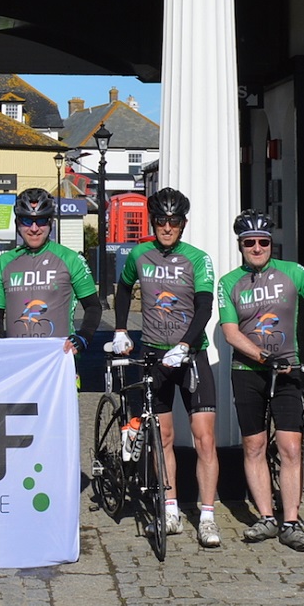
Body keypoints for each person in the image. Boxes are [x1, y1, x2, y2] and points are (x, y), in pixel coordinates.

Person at [219, 210, 304, 553]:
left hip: (290, 371)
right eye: (249, 243)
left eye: (263, 242)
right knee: (254, 446)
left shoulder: (292, 272)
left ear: (271, 243)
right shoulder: (229, 282)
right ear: (241, 245)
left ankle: (291, 520)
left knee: (291, 448)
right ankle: (265, 516)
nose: (257, 248)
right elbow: (230, 333)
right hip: (248, 373)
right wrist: (262, 357)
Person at [108, 187, 222, 548]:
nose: (167, 227)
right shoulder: (140, 254)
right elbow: (123, 289)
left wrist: (186, 344)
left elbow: (204, 307)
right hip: (155, 356)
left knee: (205, 439)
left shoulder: (197, 259)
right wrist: (122, 329)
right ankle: (170, 508)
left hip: (191, 357)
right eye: (161, 221)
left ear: (183, 223)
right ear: (153, 222)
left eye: (174, 221)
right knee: (164, 439)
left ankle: (206, 515)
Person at [0, 189, 100, 353]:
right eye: (27, 220)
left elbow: (93, 307)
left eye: (41, 221)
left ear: (51, 222)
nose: (34, 228)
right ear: (17, 223)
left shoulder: (71, 259)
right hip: (17, 360)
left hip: (59, 360)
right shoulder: (3, 263)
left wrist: (83, 337)